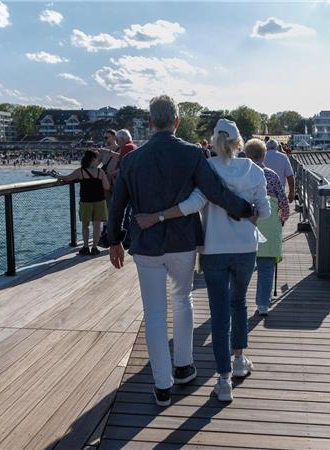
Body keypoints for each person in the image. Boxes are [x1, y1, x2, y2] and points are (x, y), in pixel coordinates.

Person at [107, 95, 255, 407]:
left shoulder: (131, 160)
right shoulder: (191, 154)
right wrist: (245, 209)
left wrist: (115, 240)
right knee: (183, 299)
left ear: (150, 122)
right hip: (182, 243)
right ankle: (184, 365)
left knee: (155, 313)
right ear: (176, 122)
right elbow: (214, 191)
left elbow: (117, 202)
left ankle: (162, 384)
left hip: (146, 246)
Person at [136, 119, 270, 402]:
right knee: (239, 303)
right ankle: (239, 361)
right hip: (246, 248)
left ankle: (223, 382)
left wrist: (158, 217)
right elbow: (265, 212)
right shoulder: (255, 170)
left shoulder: (207, 168)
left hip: (214, 251)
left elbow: (191, 205)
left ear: (214, 141)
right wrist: (249, 216)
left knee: (219, 312)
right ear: (238, 143)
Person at [243, 138, 289, 316]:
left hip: (246, 224)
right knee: (266, 267)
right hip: (269, 224)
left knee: (242, 267)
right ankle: (263, 304)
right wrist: (282, 218)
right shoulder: (271, 175)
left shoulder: (242, 175)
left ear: (246, 155)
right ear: (263, 156)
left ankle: (237, 301)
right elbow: (283, 202)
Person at [57, 149, 110, 255]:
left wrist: (58, 176)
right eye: (97, 158)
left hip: (86, 201)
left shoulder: (80, 171)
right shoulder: (100, 172)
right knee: (97, 226)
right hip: (99, 201)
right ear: (93, 159)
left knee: (85, 225)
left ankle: (85, 247)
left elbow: (67, 178)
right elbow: (107, 187)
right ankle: (94, 248)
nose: (99, 160)